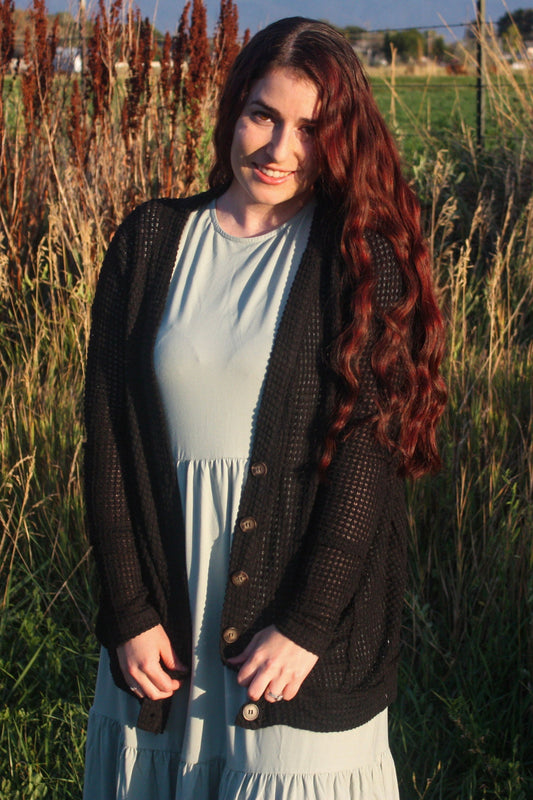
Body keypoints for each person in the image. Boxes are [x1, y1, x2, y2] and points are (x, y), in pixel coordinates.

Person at [82, 16, 446, 800]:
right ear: (232, 110)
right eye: (262, 115)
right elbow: (107, 436)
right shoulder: (148, 242)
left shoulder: (358, 260)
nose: (278, 149)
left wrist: (308, 621)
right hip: (162, 616)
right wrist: (128, 608)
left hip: (290, 629)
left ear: (340, 138)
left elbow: (369, 454)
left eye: (309, 129)